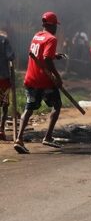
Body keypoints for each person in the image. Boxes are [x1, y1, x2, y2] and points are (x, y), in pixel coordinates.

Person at [14, 12, 66, 154]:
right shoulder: (52, 39)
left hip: (31, 79)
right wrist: (57, 76)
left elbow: (42, 55)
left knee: (28, 109)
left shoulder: (37, 36)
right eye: (55, 25)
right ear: (53, 25)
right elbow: (46, 60)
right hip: (45, 81)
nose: (56, 28)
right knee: (57, 105)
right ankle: (48, 137)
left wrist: (55, 55)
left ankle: (19, 139)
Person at [0, 30, 15, 140]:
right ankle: (1, 130)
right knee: (4, 106)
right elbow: (11, 56)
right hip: (3, 78)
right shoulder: (4, 40)